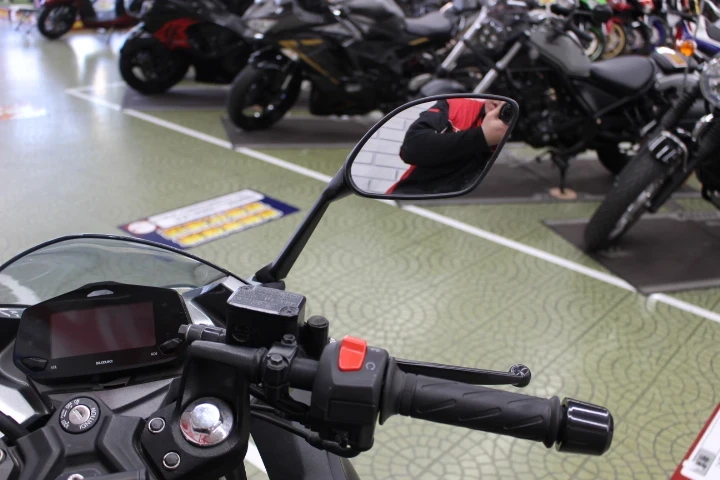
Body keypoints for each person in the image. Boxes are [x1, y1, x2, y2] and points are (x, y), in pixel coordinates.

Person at [386, 98, 509, 195]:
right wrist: (481, 137)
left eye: (510, 97)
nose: (500, 102)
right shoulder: (456, 105)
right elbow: (410, 149)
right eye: (498, 90)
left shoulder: (516, 134)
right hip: (411, 195)